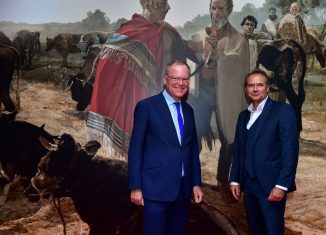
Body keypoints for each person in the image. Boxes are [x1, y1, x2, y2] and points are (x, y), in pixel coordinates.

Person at [86, 0, 196, 160]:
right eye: (164, 3)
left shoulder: (169, 32)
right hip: (130, 95)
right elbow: (106, 64)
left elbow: (181, 57)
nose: (168, 8)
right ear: (150, 4)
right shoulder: (128, 29)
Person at [128, 60, 203, 235]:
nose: (180, 83)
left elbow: (192, 151)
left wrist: (196, 184)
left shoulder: (189, 111)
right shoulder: (146, 107)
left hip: (183, 192)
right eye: (176, 78)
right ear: (165, 79)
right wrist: (136, 187)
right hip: (154, 189)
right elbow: (135, 149)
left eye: (185, 79)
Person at [192, 0, 249, 203]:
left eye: (221, 8)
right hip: (202, 93)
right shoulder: (199, 35)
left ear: (230, 10)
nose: (216, 12)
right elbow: (193, 62)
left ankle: (222, 181)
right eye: (213, 8)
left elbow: (240, 69)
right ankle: (191, 179)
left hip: (228, 94)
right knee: (193, 136)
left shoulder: (239, 40)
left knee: (229, 139)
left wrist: (218, 53)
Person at [229, 69, 299, 235]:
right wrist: (234, 179)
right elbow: (238, 149)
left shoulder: (283, 111)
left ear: (267, 88)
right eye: (251, 85)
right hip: (249, 186)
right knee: (256, 230)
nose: (255, 89)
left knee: (272, 231)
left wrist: (281, 185)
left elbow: (290, 152)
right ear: (246, 89)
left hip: (271, 187)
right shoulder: (243, 116)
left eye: (259, 85)